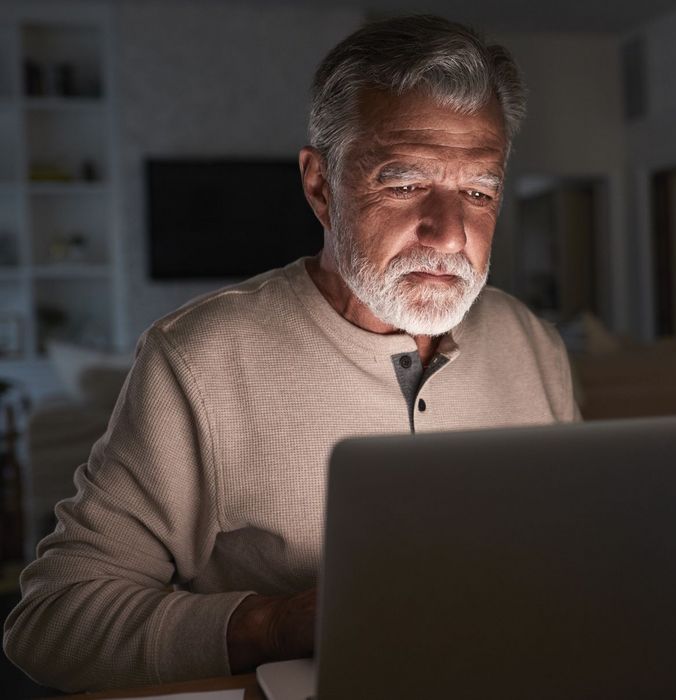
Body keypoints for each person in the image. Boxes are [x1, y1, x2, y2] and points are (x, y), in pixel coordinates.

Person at [3, 15, 578, 692]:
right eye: (404, 184)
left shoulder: (534, 345)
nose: (450, 233)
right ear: (320, 186)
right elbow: (52, 620)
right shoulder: (199, 360)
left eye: (479, 192)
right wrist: (273, 625)